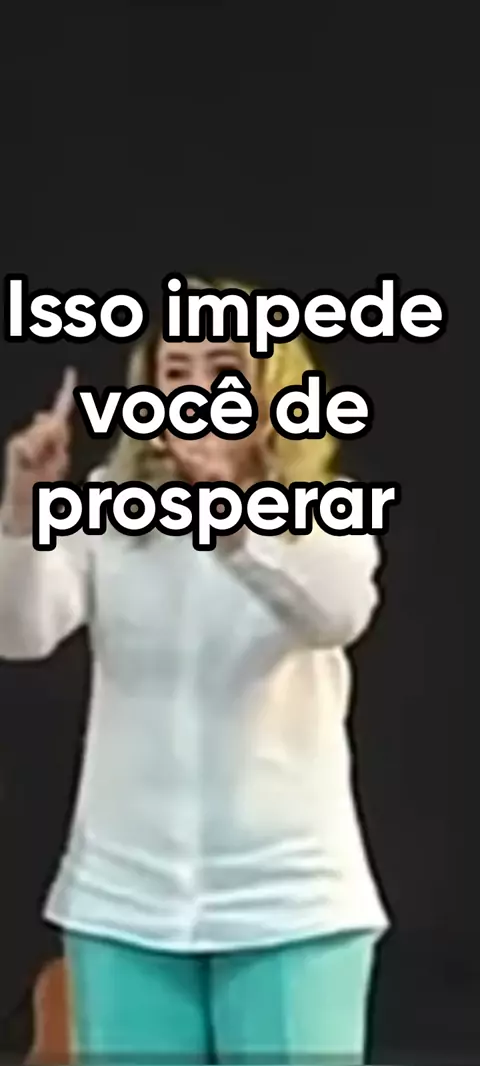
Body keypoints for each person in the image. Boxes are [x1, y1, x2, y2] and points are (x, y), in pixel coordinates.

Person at [0, 279, 389, 1065]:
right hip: (122, 903)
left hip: (291, 905)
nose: (197, 393)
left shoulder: (323, 510)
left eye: (225, 370)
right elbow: (20, 632)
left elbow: (338, 612)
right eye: (175, 372)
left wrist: (228, 510)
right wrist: (23, 508)